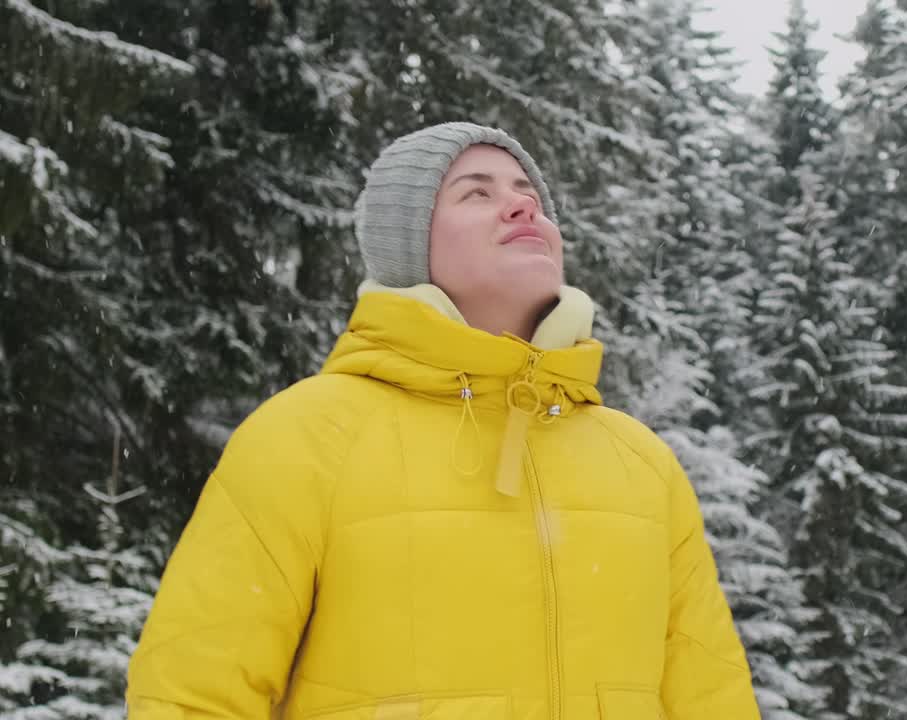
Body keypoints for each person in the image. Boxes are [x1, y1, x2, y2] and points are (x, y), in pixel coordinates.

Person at [125, 122, 761, 720]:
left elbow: (713, 698)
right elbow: (191, 695)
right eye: (476, 192)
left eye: (528, 193)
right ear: (407, 246)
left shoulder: (640, 461)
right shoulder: (307, 435)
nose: (522, 206)